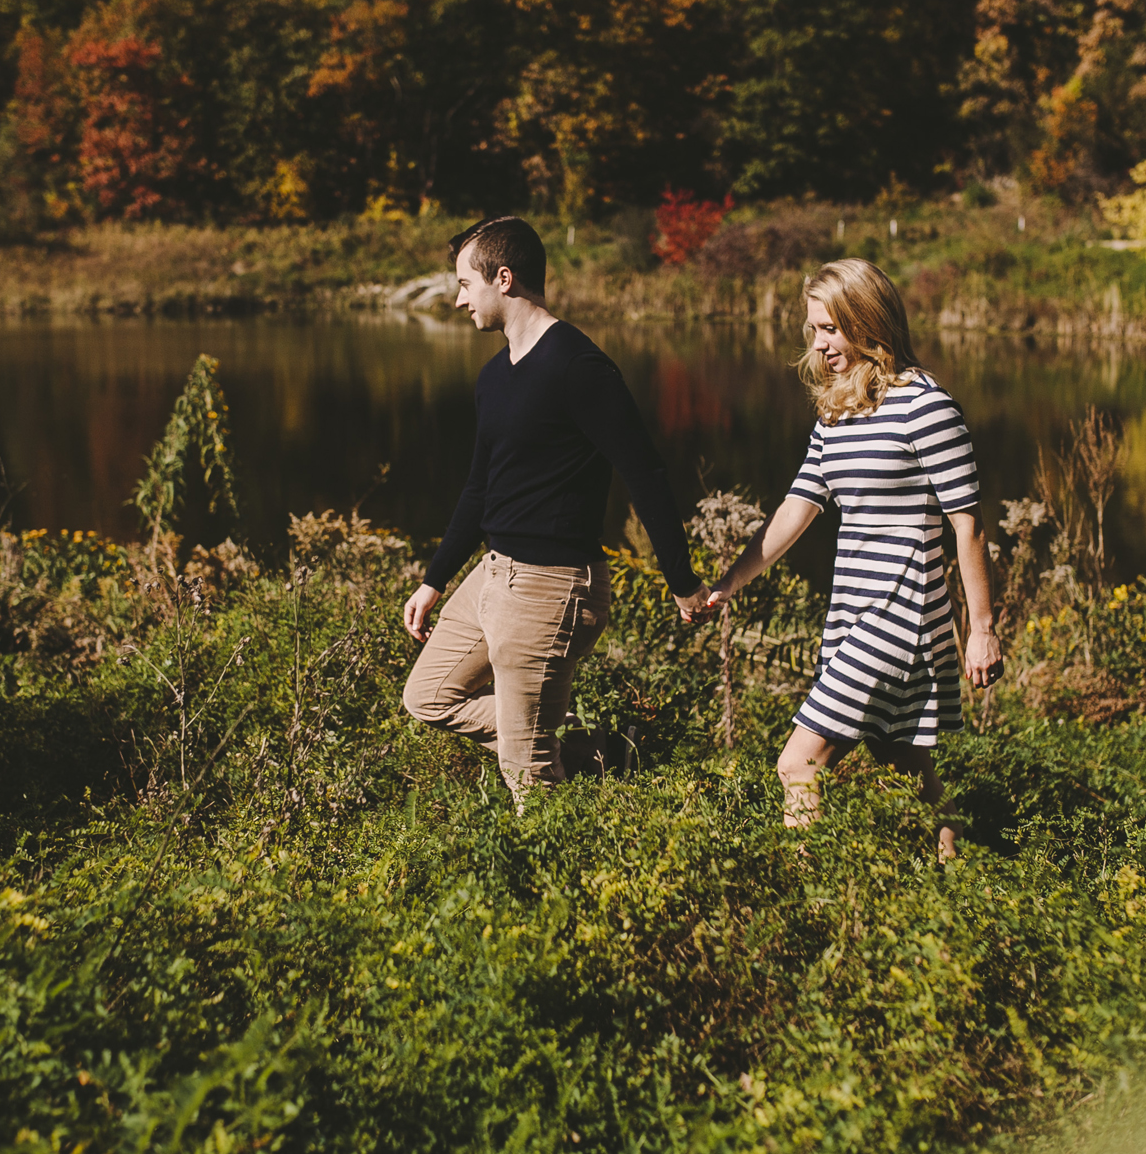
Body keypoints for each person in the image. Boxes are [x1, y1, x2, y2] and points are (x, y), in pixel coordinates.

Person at [700, 258, 1000, 857]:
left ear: (868, 321)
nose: (818, 344)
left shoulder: (927, 408)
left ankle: (806, 895)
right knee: (902, 761)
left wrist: (982, 630)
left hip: (903, 614)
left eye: (830, 329)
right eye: (813, 330)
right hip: (852, 612)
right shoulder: (836, 412)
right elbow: (797, 506)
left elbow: (968, 524)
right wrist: (729, 582)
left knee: (798, 762)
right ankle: (961, 881)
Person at [402, 216, 708, 801]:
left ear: (505, 278)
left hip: (551, 586)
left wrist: (682, 579)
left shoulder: (579, 368)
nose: (458, 298)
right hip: (493, 574)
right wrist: (434, 580)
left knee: (526, 775)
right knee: (428, 696)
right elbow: (478, 488)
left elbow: (645, 473)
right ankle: (594, 752)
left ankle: (556, 861)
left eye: (466, 284)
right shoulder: (494, 377)